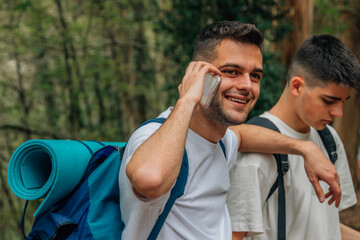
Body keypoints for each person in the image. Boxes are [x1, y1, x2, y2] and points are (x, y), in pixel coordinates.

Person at [118, 21, 341, 240]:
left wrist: (305, 148)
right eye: (232, 71)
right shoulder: (152, 137)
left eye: (255, 75)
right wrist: (187, 99)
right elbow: (150, 181)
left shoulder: (223, 140)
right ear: (198, 75)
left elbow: (243, 136)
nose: (247, 85)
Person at [227, 34, 360, 240]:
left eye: (343, 101)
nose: (339, 113)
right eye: (329, 101)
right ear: (297, 86)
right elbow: (233, 235)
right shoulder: (258, 154)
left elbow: (328, 226)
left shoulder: (329, 139)